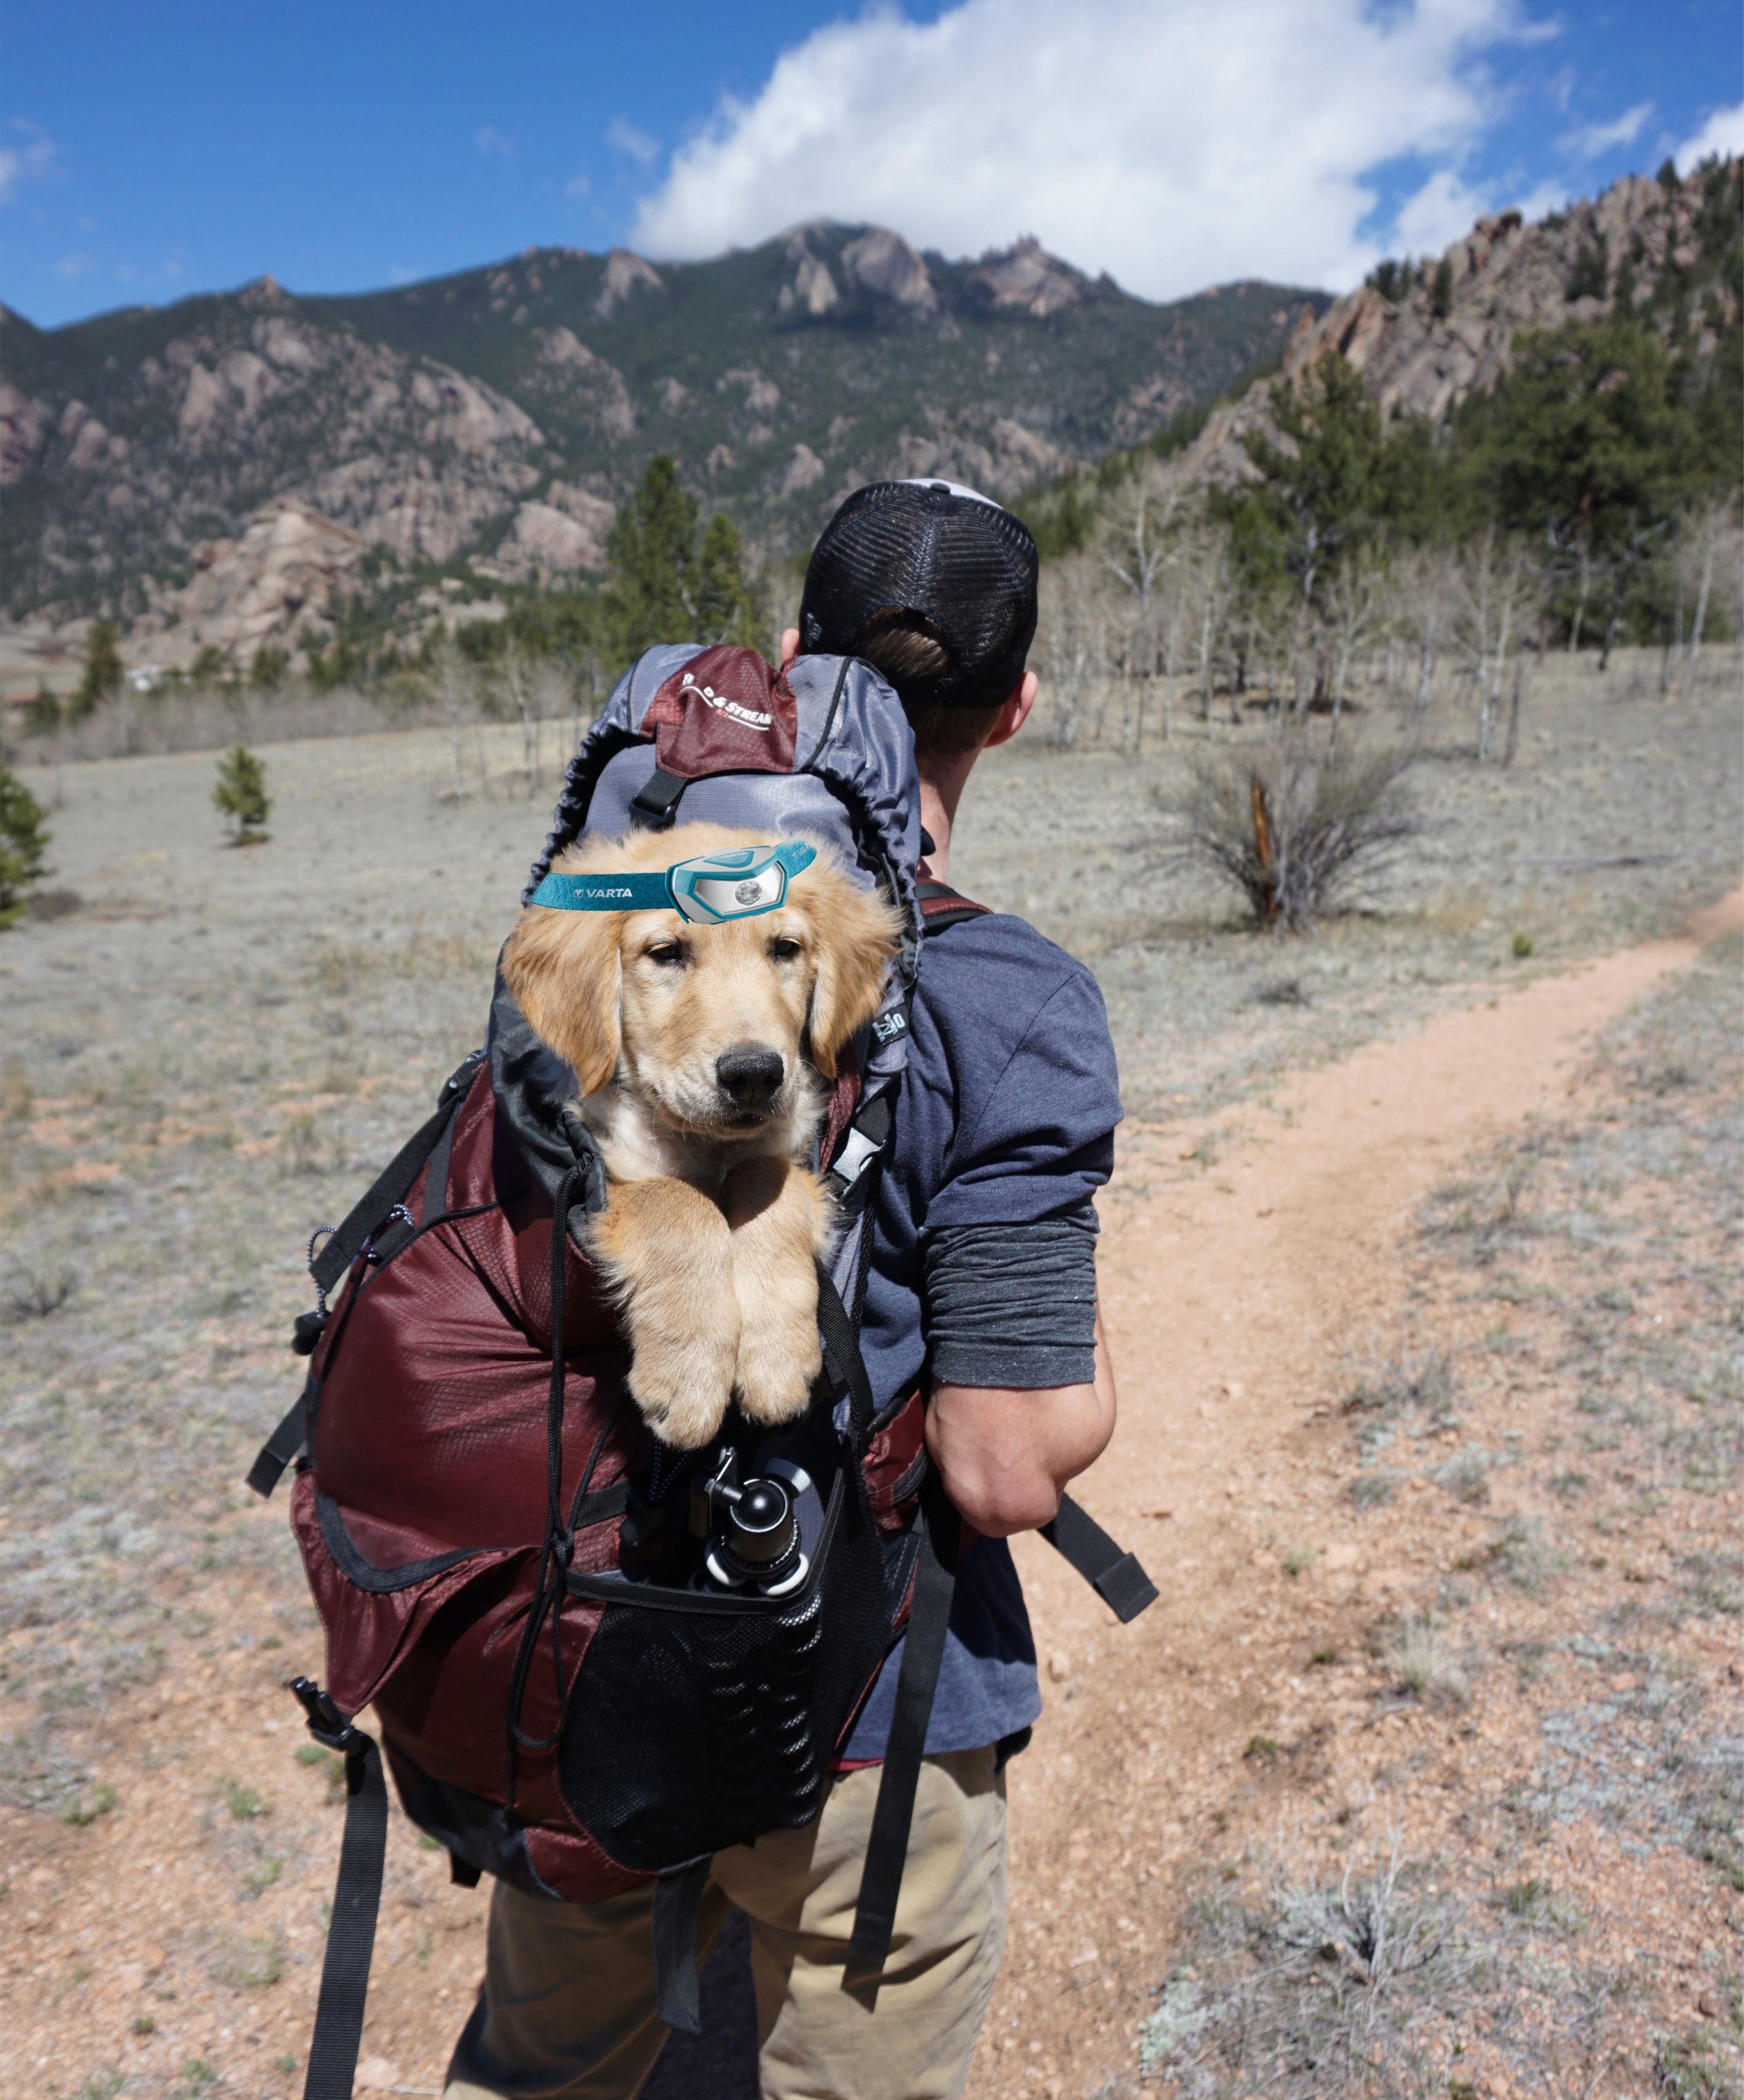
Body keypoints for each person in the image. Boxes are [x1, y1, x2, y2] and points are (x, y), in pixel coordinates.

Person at [445, 479, 1121, 2100]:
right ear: (1015, 708)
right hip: (868, 1709)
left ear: (798, 664)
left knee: (554, 2071)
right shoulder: (1015, 1001)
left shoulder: (609, 923)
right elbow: (1003, 1458)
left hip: (577, 1641)